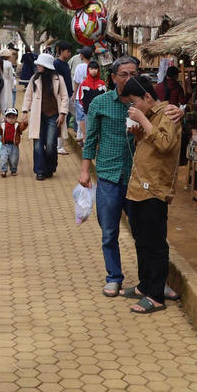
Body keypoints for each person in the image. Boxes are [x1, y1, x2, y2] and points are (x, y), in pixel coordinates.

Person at [119, 76, 183, 313]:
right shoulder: (148, 116)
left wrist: (143, 120)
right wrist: (138, 132)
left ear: (147, 97)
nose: (132, 108)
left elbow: (165, 144)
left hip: (155, 190)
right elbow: (149, 145)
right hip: (137, 188)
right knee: (141, 241)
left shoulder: (168, 114)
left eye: (134, 102)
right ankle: (145, 285)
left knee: (155, 244)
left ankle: (156, 295)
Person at [79, 56, 140, 297]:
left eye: (133, 74)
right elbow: (90, 139)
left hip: (137, 177)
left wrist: (176, 111)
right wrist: (85, 170)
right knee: (109, 232)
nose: (129, 78)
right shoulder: (100, 103)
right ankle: (114, 277)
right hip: (108, 176)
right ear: (113, 78)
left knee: (143, 232)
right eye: (124, 74)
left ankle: (151, 279)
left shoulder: (145, 102)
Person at [19, 53, 68, 180]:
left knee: (51, 145)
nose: (38, 66)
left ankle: (50, 167)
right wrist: (25, 111)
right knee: (38, 144)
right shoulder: (34, 78)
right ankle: (40, 171)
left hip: (54, 116)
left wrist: (62, 113)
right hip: (38, 116)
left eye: (40, 64)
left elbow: (64, 97)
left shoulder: (59, 79)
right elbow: (28, 96)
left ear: (46, 66)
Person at [75, 60, 107, 142]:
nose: (94, 71)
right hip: (88, 112)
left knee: (99, 128)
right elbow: (81, 97)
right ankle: (86, 140)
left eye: (95, 69)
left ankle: (98, 143)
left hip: (100, 112)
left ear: (98, 70)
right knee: (89, 128)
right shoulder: (84, 84)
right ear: (88, 70)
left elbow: (105, 98)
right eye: (91, 69)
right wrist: (85, 108)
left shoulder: (102, 83)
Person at [53, 42, 76, 154]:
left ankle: (82, 135)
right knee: (62, 119)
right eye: (68, 51)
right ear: (61, 51)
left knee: (79, 113)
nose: (69, 54)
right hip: (62, 96)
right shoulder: (56, 64)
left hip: (69, 95)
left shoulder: (66, 64)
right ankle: (59, 146)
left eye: (70, 52)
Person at [0, 108, 24, 178]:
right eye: (9, 117)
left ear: (16, 118)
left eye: (13, 118)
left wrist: (25, 123)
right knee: (3, 158)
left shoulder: (17, 125)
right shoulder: (3, 125)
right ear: (6, 118)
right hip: (5, 145)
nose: (11, 119)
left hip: (14, 145)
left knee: (14, 159)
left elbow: (22, 127)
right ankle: (3, 170)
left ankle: (13, 170)